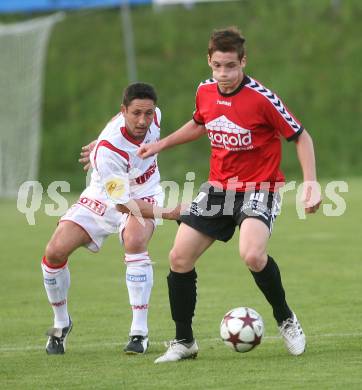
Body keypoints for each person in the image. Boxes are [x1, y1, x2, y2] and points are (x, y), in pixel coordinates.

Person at [137, 27, 322, 363]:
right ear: (209, 61)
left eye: (230, 66)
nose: (223, 73)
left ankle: (286, 319)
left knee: (251, 254)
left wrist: (310, 183)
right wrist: (162, 144)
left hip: (259, 188)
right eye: (217, 66)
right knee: (179, 258)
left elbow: (301, 136)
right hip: (219, 189)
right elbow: (199, 123)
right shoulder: (205, 91)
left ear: (243, 62)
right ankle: (184, 342)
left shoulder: (262, 98)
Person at [41, 82, 180, 355]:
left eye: (148, 113)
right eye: (136, 113)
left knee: (135, 239)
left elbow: (125, 120)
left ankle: (139, 332)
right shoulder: (108, 152)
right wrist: (171, 213)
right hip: (107, 196)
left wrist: (101, 136)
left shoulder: (155, 116)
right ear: (124, 111)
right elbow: (124, 204)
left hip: (145, 190)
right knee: (54, 252)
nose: (143, 121)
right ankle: (61, 324)